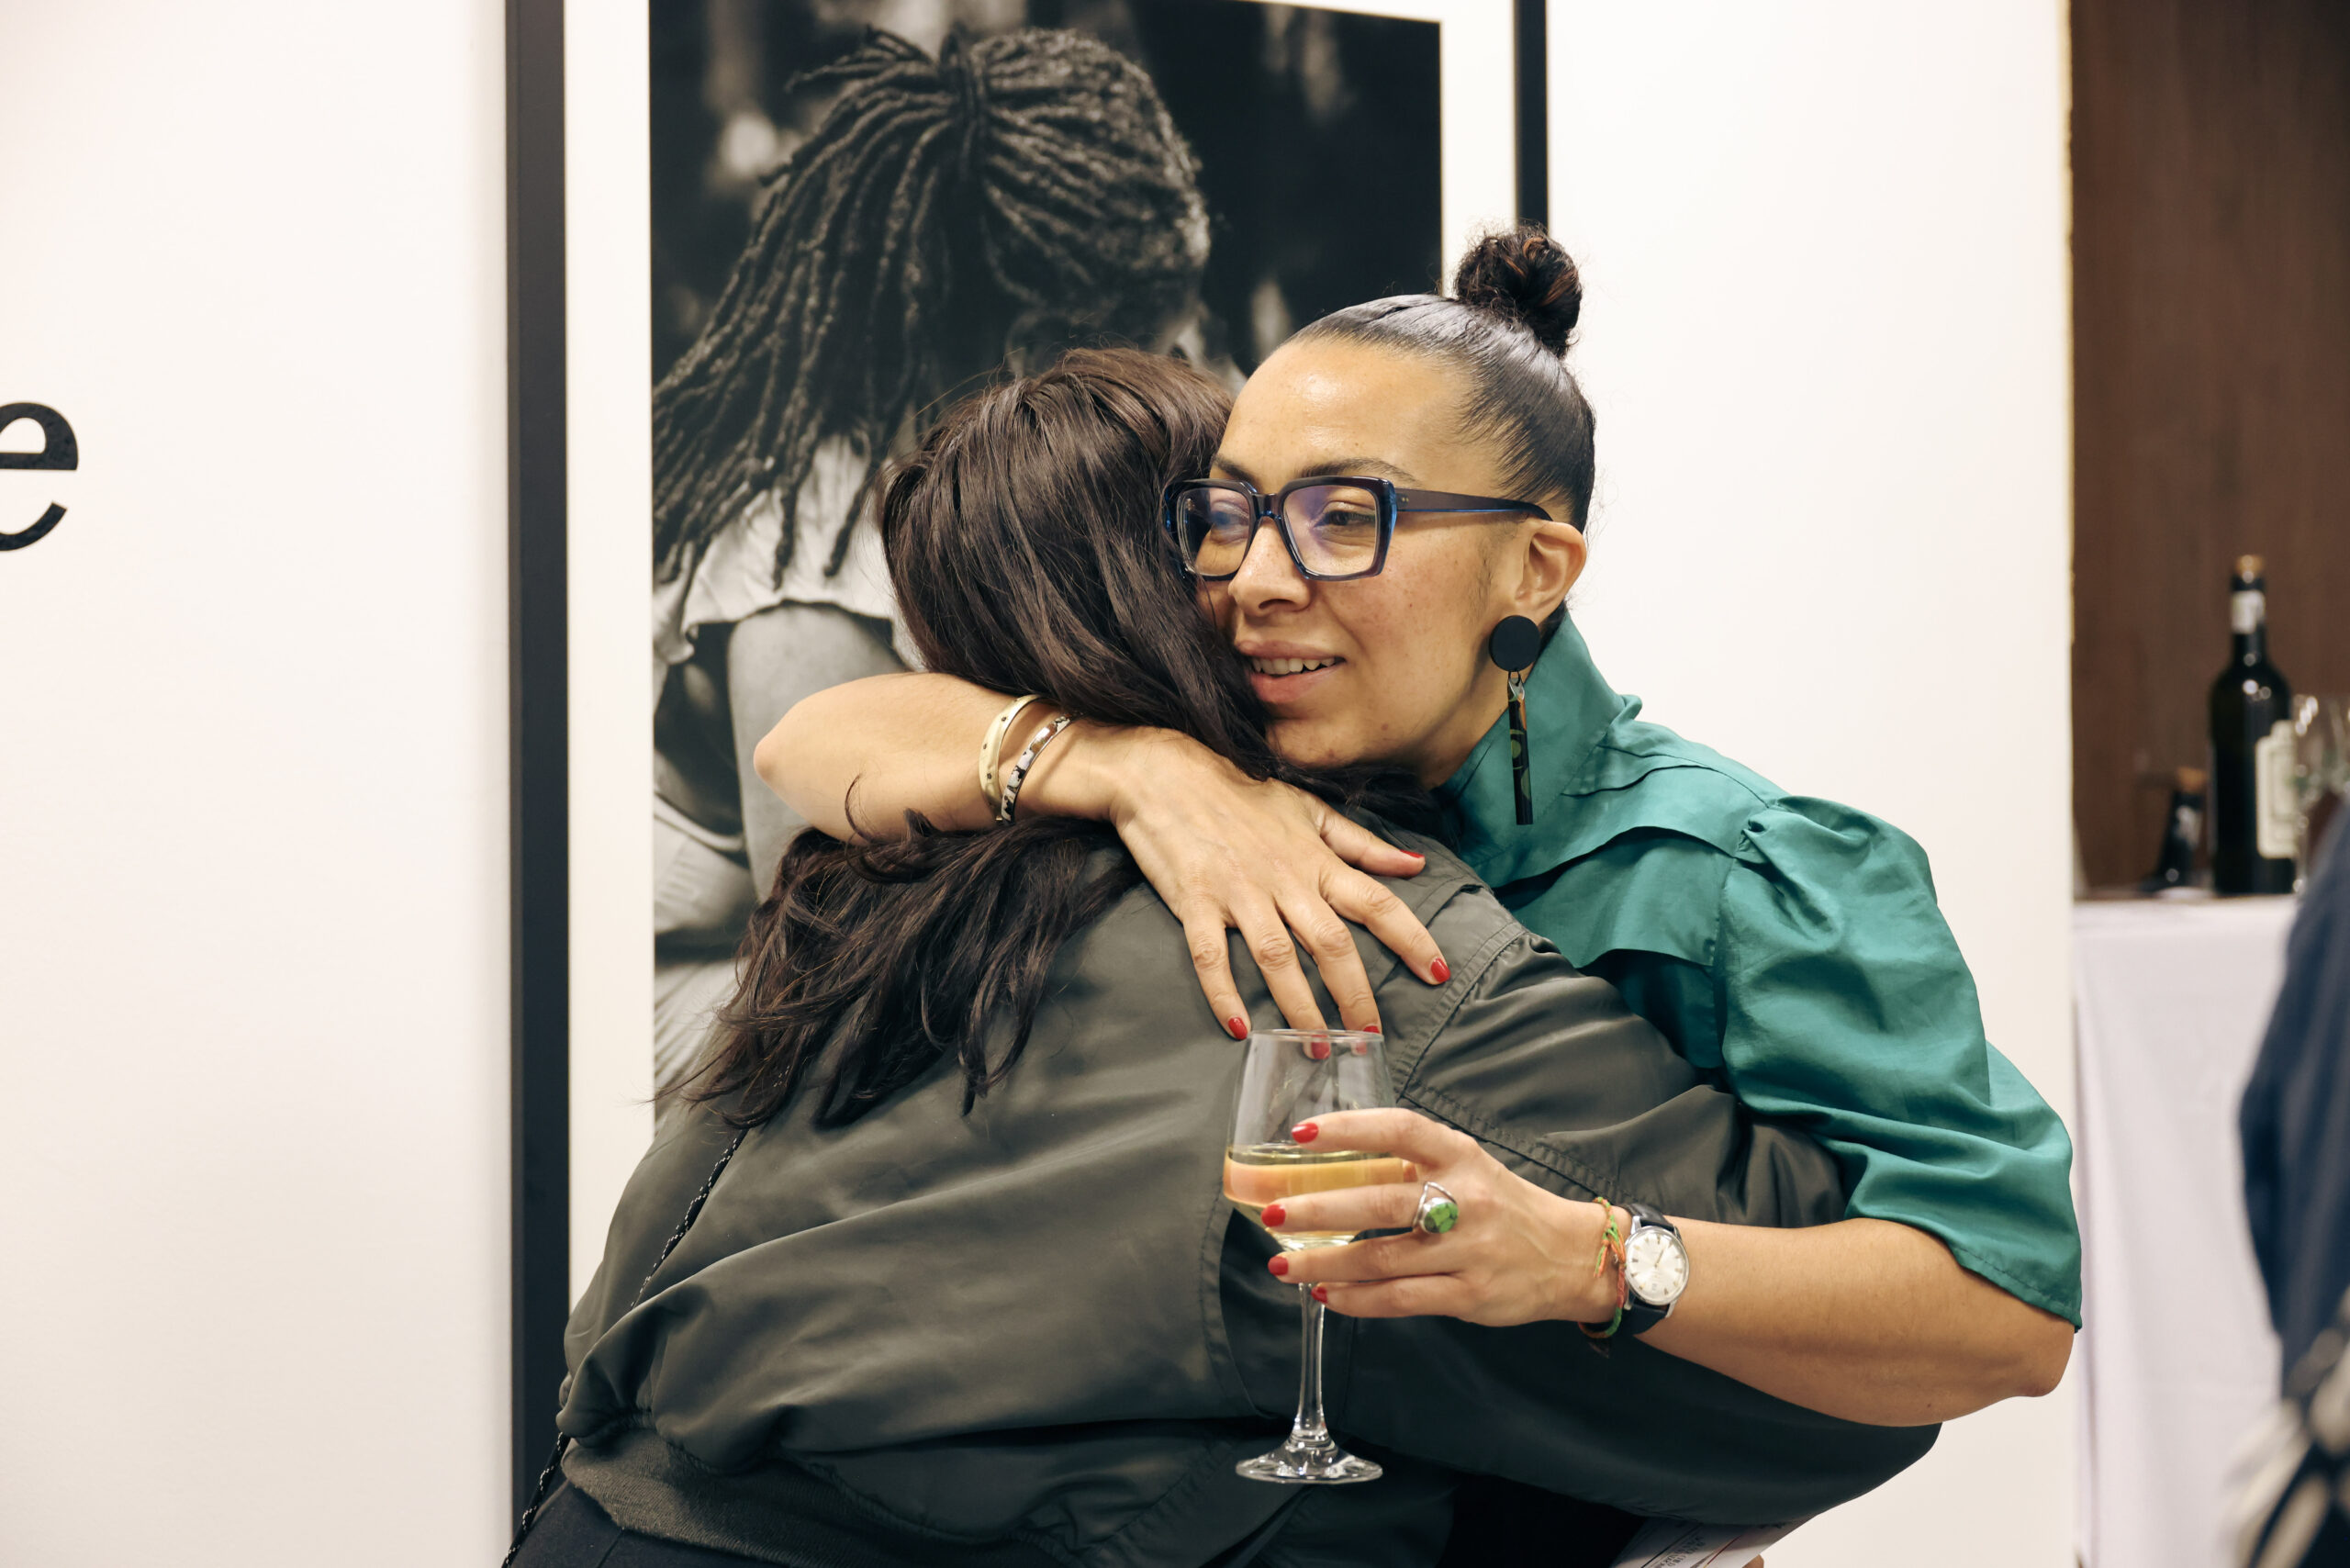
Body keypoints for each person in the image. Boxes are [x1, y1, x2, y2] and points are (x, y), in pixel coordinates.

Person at [523, 351, 1931, 1568]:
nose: (1276, 568)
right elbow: (1841, 1387)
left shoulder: (865, 883)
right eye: (1239, 524)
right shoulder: (1344, 945)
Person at [757, 226, 2079, 1428]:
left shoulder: (1742, 870)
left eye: (1347, 517)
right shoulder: (1243, 761)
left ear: (1535, 568)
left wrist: (1589, 1257)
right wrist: (1135, 771)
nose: (1260, 582)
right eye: (1233, 517)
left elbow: (2006, 1314)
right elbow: (808, 743)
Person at [650, 28, 1211, 1093]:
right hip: (708, 995)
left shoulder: (980, 493)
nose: (1186, 370)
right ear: (1041, 344)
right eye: (1166, 343)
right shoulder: (810, 560)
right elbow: (822, 960)